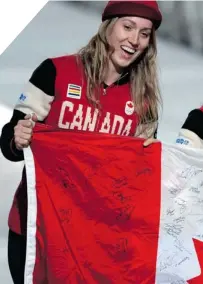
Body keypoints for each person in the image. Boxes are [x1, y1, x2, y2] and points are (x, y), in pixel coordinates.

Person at [0, 1, 163, 282]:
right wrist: (17, 137)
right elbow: (10, 145)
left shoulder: (144, 103)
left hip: (95, 243)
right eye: (128, 27)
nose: (135, 40)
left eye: (145, 34)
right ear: (108, 26)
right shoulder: (54, 71)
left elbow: (139, 182)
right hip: (35, 231)